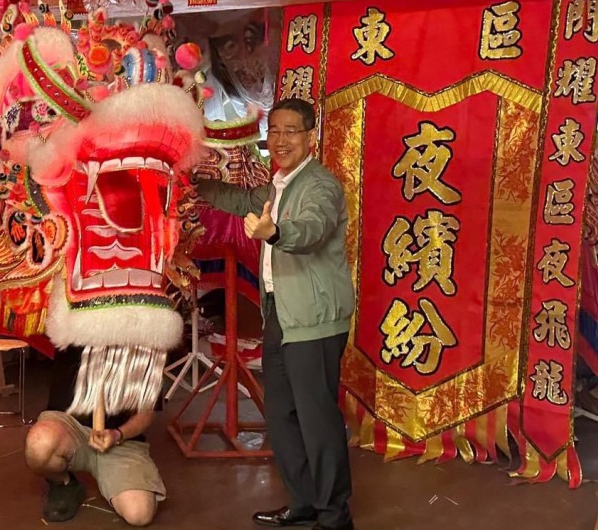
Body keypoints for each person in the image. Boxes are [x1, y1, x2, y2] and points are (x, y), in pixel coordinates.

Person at [195, 98, 355, 530]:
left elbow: (311, 229)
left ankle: (334, 517)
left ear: (310, 137)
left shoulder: (321, 186)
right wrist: (190, 182)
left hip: (314, 321)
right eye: (275, 132)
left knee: (317, 418)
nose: (280, 140)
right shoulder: (276, 186)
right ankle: (303, 501)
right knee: (281, 415)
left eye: (290, 131)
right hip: (280, 316)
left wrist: (276, 232)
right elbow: (238, 198)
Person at [24, 346, 165, 526]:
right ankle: (64, 484)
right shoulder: (69, 333)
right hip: (69, 425)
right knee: (40, 443)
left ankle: (114, 472)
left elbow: (147, 413)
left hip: (121, 441)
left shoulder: (146, 345)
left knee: (139, 514)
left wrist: (118, 434)